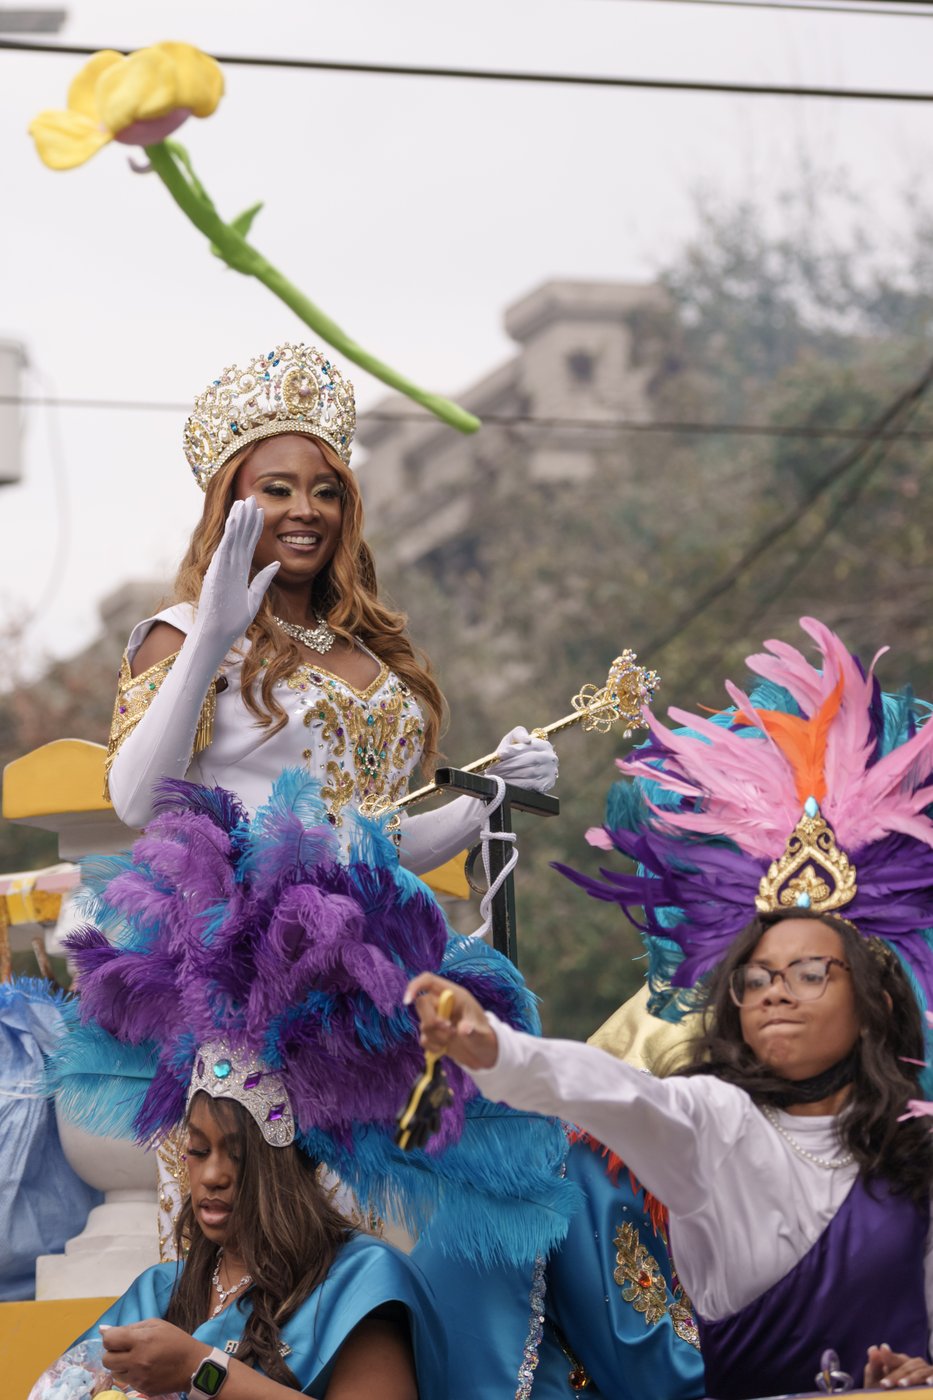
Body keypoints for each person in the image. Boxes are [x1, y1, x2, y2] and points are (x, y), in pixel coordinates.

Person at [408, 618, 933, 1400]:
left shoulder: (918, 1147)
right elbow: (610, 1089)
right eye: (753, 979)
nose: (775, 992)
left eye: (808, 973)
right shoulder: (714, 1124)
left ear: (876, 997)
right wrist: (495, 1050)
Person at [104, 341, 556, 872]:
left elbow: (378, 849)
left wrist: (491, 796)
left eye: (326, 492)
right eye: (277, 489)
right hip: (247, 944)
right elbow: (135, 803)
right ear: (229, 506)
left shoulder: (367, 653)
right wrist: (211, 638)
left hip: (373, 943)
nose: (306, 510)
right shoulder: (178, 635)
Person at [37, 1057, 446, 1397]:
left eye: (236, 1154)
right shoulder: (158, 1293)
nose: (212, 1175)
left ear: (287, 1164)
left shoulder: (358, 1283)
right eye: (198, 1150)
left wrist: (200, 1369)